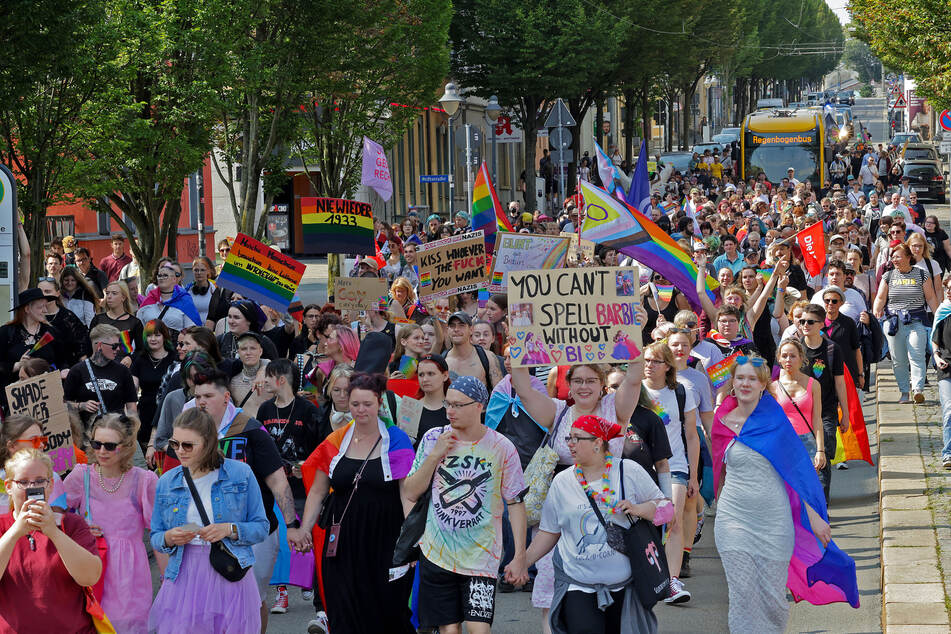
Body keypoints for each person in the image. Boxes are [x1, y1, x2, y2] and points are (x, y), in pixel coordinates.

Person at [714, 355, 858, 633]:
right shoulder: (722, 420)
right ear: (732, 381)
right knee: (742, 591)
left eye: (752, 379)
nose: (745, 383)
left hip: (773, 521)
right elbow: (720, 470)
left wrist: (814, 516)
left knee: (772, 599)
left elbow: (797, 473)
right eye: (740, 377)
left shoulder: (776, 422)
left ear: (763, 384)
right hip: (734, 519)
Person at [506, 415, 673, 634]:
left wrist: (639, 509)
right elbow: (549, 532)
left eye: (577, 438)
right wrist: (522, 562)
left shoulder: (627, 471)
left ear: (597, 443)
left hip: (626, 587)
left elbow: (667, 511)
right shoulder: (562, 482)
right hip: (578, 585)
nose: (570, 444)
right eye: (569, 438)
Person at [404, 376, 527, 634]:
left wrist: (519, 556)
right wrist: (436, 455)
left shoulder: (501, 447)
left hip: (482, 557)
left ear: (479, 406)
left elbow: (515, 503)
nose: (450, 411)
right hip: (437, 554)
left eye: (459, 405)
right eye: (448, 404)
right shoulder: (432, 439)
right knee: (449, 630)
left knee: (478, 629)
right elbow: (411, 492)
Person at [189, 367, 307, 632]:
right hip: (206, 531)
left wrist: (292, 524)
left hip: (254, 532)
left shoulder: (251, 430)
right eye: (197, 397)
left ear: (226, 397)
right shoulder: (191, 433)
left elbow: (278, 480)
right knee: (210, 603)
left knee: (251, 600)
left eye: (208, 395)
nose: (201, 402)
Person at [298, 371, 415, 634]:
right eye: (355, 404)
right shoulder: (335, 441)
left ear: (380, 403)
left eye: (367, 404)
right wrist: (305, 529)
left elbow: (407, 495)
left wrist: (413, 541)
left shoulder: (396, 440)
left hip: (386, 540)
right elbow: (317, 492)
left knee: (389, 612)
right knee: (343, 611)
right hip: (341, 542)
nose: (360, 410)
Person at [149, 408, 269, 634]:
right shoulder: (166, 482)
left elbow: (261, 527)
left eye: (188, 445)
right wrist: (169, 537)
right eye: (175, 444)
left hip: (229, 571)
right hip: (184, 574)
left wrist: (229, 529)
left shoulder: (240, 473)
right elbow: (155, 536)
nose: (179, 452)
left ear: (208, 443)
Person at [64, 413, 159, 634]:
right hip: (92, 566)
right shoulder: (81, 476)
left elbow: (158, 531)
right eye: (97, 444)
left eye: (109, 445)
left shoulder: (143, 480)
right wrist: (77, 527)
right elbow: (55, 516)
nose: (102, 451)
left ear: (126, 446)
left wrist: (168, 578)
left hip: (130, 574)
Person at [0, 449, 103, 633]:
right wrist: (15, 531)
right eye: (23, 482)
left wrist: (53, 532)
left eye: (40, 481)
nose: (32, 488)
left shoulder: (72, 524)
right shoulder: (2, 527)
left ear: (50, 485)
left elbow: (90, 577)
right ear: (8, 486)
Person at [256, 359, 321, 614]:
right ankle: (281, 594)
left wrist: (304, 467)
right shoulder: (264, 410)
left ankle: (312, 586)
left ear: (280, 379)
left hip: (303, 484)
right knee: (281, 542)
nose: (265, 381)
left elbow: (319, 447)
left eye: (269, 376)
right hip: (274, 486)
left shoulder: (308, 409)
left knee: (307, 538)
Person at [637, 342, 700, 603]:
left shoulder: (681, 392)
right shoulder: (634, 390)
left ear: (667, 366)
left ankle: (673, 581)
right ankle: (649, 578)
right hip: (639, 467)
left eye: (655, 361)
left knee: (671, 518)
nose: (649, 365)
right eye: (646, 360)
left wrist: (693, 475)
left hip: (674, 465)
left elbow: (692, 436)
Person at [873, 241, 940, 403]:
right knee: (898, 359)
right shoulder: (888, 275)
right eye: (893, 257)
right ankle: (904, 391)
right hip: (894, 323)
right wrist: (877, 310)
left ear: (909, 257)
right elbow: (881, 297)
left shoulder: (921, 274)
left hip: (916, 320)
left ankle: (917, 388)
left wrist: (938, 317)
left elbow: (930, 297)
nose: (894, 260)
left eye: (898, 256)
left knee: (916, 354)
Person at [796, 304, 850, 503]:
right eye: (802, 321)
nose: (805, 325)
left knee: (823, 455)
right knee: (802, 461)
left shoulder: (831, 349)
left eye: (810, 321)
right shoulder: (795, 349)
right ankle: (807, 502)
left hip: (826, 413)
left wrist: (845, 413)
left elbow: (839, 383)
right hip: (800, 416)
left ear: (821, 324)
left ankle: (821, 504)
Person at [63, 324, 138, 427]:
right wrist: (81, 406)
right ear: (99, 346)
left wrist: (132, 432)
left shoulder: (122, 370)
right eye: (114, 346)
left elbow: (131, 407)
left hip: (117, 432)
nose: (118, 349)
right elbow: (64, 406)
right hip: (87, 435)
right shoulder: (77, 371)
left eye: (119, 345)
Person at [770, 339, 825, 473]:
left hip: (808, 442)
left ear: (801, 358)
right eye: (784, 356)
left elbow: (817, 419)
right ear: (779, 359)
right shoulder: (772, 387)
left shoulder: (814, 385)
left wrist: (820, 450)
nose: (788, 360)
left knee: (808, 488)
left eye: (793, 356)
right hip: (782, 442)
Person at [0, 415, 68, 511]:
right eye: (34, 440)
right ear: (11, 446)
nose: (41, 445)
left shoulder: (52, 479)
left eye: (42, 440)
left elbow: (61, 520)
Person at [130, 320, 176, 451]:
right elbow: (133, 390)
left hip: (167, 412)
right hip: (146, 412)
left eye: (157, 335)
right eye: (149, 335)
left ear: (165, 337)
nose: (153, 339)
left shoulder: (174, 358)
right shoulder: (140, 360)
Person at [136, 263, 201, 338]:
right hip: (151, 346)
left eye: (165, 275)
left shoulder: (184, 300)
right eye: (159, 275)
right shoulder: (149, 300)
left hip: (176, 348)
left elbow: (192, 330)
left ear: (174, 279)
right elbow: (138, 328)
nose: (161, 278)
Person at [90, 280, 143, 366]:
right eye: (107, 293)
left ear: (123, 297)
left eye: (114, 293)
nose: (109, 296)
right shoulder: (98, 320)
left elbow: (142, 350)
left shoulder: (135, 322)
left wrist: (130, 358)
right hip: (100, 365)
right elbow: (89, 345)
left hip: (123, 367)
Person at [445, 311, 503, 389]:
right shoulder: (443, 360)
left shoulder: (488, 357)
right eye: (452, 326)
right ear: (447, 330)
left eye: (461, 325)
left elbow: (500, 395)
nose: (456, 329)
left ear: (471, 330)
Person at [227, 331, 270, 418]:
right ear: (238, 352)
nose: (248, 353)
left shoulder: (271, 378)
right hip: (244, 429)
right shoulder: (233, 382)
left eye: (253, 348)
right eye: (244, 349)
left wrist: (263, 370)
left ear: (260, 351)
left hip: (267, 429)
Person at [932, 276, 951, 469]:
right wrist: (937, 358)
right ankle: (948, 453)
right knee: (949, 410)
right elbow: (935, 340)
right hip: (947, 367)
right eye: (948, 289)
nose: (950, 293)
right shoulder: (944, 312)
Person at [414, 353, 450, 448]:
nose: (425, 379)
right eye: (421, 375)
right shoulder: (412, 408)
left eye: (431, 374)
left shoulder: (454, 408)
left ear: (445, 376)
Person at [187, 256, 218, 324]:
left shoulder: (215, 290)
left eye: (202, 270)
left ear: (208, 271)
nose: (199, 273)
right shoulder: (187, 291)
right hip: (193, 329)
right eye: (196, 270)